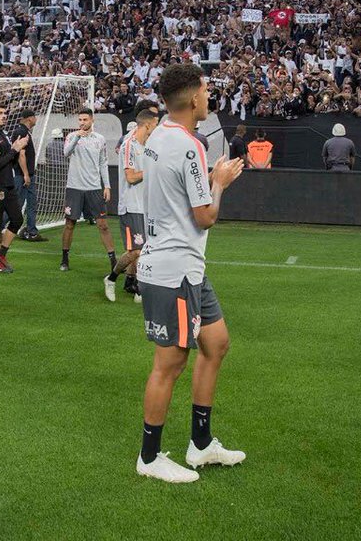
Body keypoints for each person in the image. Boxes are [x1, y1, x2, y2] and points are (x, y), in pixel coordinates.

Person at [134, 63, 246, 483]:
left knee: (215, 344)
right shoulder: (188, 145)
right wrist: (220, 182)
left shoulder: (159, 135)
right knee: (170, 362)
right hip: (174, 267)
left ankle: (200, 444)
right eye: (206, 89)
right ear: (194, 97)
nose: (209, 96)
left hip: (184, 266)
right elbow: (205, 217)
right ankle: (149, 457)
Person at [106, 101, 159, 303]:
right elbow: (131, 177)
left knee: (145, 249)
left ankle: (138, 287)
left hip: (145, 206)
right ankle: (111, 279)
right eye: (155, 125)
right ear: (146, 125)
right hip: (131, 205)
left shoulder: (148, 147)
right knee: (136, 250)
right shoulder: (129, 145)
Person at [60, 108, 115, 274]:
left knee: (103, 225)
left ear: (92, 120)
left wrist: (107, 186)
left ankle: (113, 260)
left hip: (94, 188)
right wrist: (77, 137)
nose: (82, 122)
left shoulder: (100, 139)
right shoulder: (71, 136)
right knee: (70, 224)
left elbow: (103, 163)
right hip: (74, 187)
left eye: (85, 119)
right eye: (80, 120)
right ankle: (64, 258)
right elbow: (65, 153)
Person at [0, 103, 29, 273]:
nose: (4, 116)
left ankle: (1, 255)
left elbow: (9, 159)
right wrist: (14, 150)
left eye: (5, 113)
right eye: (0, 113)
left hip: (7, 182)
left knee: (17, 219)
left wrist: (18, 149)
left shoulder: (5, 135)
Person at [10, 110, 44, 241]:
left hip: (27, 174)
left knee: (31, 204)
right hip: (22, 175)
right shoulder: (21, 132)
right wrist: (25, 174)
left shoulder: (24, 131)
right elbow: (21, 154)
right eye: (34, 117)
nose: (36, 119)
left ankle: (32, 231)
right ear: (30, 118)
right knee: (17, 205)